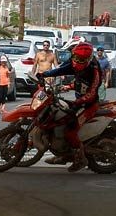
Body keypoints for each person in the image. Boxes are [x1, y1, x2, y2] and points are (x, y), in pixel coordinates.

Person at [40, 42, 101, 172]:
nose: (77, 61)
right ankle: (64, 154)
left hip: (88, 104)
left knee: (70, 129)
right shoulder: (74, 63)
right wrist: (45, 74)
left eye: (81, 59)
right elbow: (62, 70)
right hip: (78, 100)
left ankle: (81, 159)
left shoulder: (94, 70)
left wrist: (78, 102)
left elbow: (92, 93)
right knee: (57, 118)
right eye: (76, 58)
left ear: (89, 59)